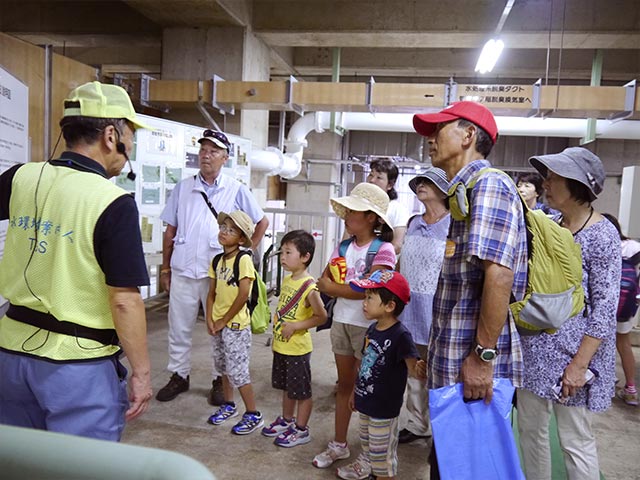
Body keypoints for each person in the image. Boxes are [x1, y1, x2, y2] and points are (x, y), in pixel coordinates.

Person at [0, 81, 152, 440]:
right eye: (130, 133)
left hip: (9, 358)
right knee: (82, 469)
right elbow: (124, 300)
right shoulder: (112, 202)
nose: (130, 145)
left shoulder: (20, 176)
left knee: (19, 465)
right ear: (111, 135)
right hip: (77, 367)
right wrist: (142, 373)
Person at [412, 101, 528, 478]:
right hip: (455, 360)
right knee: (448, 464)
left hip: (472, 368)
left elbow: (499, 276)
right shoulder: (465, 192)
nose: (430, 139)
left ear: (468, 135)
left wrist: (482, 358)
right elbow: (462, 288)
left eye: (438, 129)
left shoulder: (490, 185)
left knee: (469, 468)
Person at [518, 147, 620, 479]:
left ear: (578, 185)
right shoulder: (549, 225)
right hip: (535, 351)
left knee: (574, 440)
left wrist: (579, 366)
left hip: (573, 358)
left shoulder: (602, 235)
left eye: (555, 178)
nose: (546, 183)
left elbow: (605, 307)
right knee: (531, 433)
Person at [157, 129, 269, 404]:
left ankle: (220, 379)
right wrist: (165, 268)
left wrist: (245, 251)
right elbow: (170, 228)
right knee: (178, 326)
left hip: (220, 275)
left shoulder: (235, 189)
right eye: (203, 150)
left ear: (225, 158)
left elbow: (261, 222)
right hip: (184, 267)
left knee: (220, 327)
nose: (206, 155)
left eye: (214, 151)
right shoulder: (184, 188)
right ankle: (179, 375)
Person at [313, 182, 396, 473]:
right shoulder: (344, 246)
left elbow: (369, 289)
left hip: (368, 328)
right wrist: (339, 286)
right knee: (345, 385)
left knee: (365, 390)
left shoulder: (383, 250)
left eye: (353, 211)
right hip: (342, 323)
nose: (347, 215)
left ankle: (368, 454)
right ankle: (339, 443)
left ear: (371, 217)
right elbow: (326, 281)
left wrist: (337, 286)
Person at [339, 270, 420, 480]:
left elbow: (414, 368)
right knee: (369, 450)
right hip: (366, 404)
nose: (364, 303)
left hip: (384, 410)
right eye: (365, 297)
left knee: (382, 459)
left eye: (369, 298)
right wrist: (354, 393)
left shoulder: (401, 335)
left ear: (390, 306)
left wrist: (422, 368)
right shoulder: (373, 329)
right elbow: (366, 364)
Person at [396, 167, 450, 445]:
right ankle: (417, 423)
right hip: (409, 306)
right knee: (413, 368)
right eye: (419, 183)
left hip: (438, 308)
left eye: (428, 183)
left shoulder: (453, 224)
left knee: (439, 370)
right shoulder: (414, 221)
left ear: (445, 190)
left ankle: (441, 429)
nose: (421, 186)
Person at [262, 230, 327, 447]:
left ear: (305, 257)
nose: (283, 256)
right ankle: (287, 420)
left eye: (288, 252)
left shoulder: (309, 286)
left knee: (301, 391)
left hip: (298, 348)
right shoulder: (289, 280)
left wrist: (297, 326)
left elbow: (321, 316)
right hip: (283, 346)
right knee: (287, 388)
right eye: (282, 252)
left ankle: (301, 429)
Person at [205, 210, 263, 435]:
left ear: (241, 239)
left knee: (238, 371)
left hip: (236, 326)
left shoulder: (244, 259)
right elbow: (211, 293)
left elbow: (243, 295)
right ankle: (229, 405)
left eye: (231, 230)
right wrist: (210, 318)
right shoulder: (217, 260)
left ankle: (253, 413)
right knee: (223, 368)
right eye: (223, 228)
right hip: (218, 323)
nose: (224, 232)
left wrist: (223, 320)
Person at [603, 213, 639, 406]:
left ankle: (605, 381)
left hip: (604, 304)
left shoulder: (602, 243)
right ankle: (631, 389)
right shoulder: (633, 247)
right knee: (624, 345)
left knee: (598, 342)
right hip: (626, 305)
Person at [367, 158, 410, 254]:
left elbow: (397, 246)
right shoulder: (360, 205)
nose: (372, 180)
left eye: (379, 177)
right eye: (371, 174)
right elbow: (346, 239)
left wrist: (372, 257)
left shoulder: (397, 209)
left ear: (390, 184)